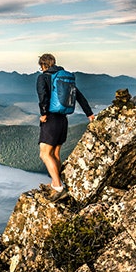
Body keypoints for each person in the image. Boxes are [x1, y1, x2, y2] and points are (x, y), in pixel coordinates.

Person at [36, 53, 95, 202]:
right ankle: (59, 183)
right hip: (63, 120)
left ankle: (57, 186)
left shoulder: (43, 77)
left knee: (44, 154)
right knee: (55, 154)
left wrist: (43, 113)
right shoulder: (65, 78)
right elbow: (79, 96)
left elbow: (43, 96)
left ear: (43, 65)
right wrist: (89, 113)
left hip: (51, 119)